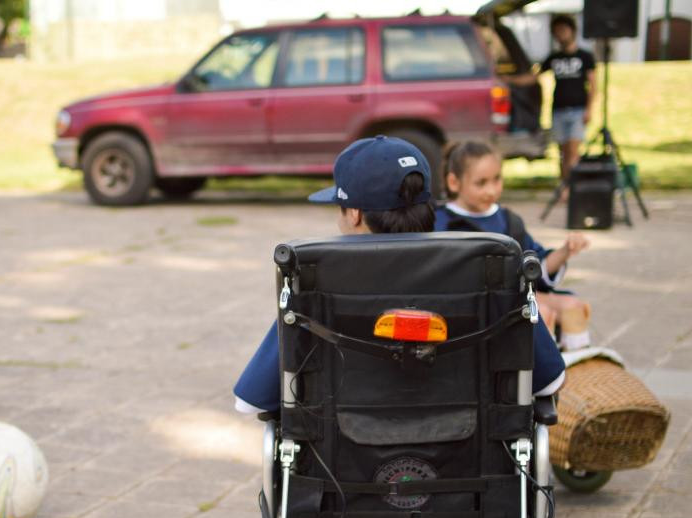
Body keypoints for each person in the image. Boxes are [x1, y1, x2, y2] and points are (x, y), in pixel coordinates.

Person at [233, 135, 566, 414]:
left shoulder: (318, 277)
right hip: (470, 469)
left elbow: (249, 403)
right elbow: (550, 381)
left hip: (345, 472)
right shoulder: (486, 269)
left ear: (354, 212)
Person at [436, 140, 592, 351]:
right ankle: (541, 380)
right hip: (470, 305)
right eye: (481, 183)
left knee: (574, 307)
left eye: (496, 179)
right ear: (454, 183)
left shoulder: (509, 221)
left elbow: (536, 264)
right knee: (540, 312)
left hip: (514, 296)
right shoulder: (439, 223)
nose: (491, 190)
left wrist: (565, 251)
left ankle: (578, 371)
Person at [506, 14, 597, 187]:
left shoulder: (585, 57)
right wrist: (509, 80)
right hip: (558, 110)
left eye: (563, 30)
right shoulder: (554, 58)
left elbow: (593, 86)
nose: (560, 34)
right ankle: (564, 186)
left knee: (573, 150)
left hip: (578, 110)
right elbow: (533, 77)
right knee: (562, 152)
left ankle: (573, 186)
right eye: (557, 32)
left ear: (572, 31)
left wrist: (589, 109)